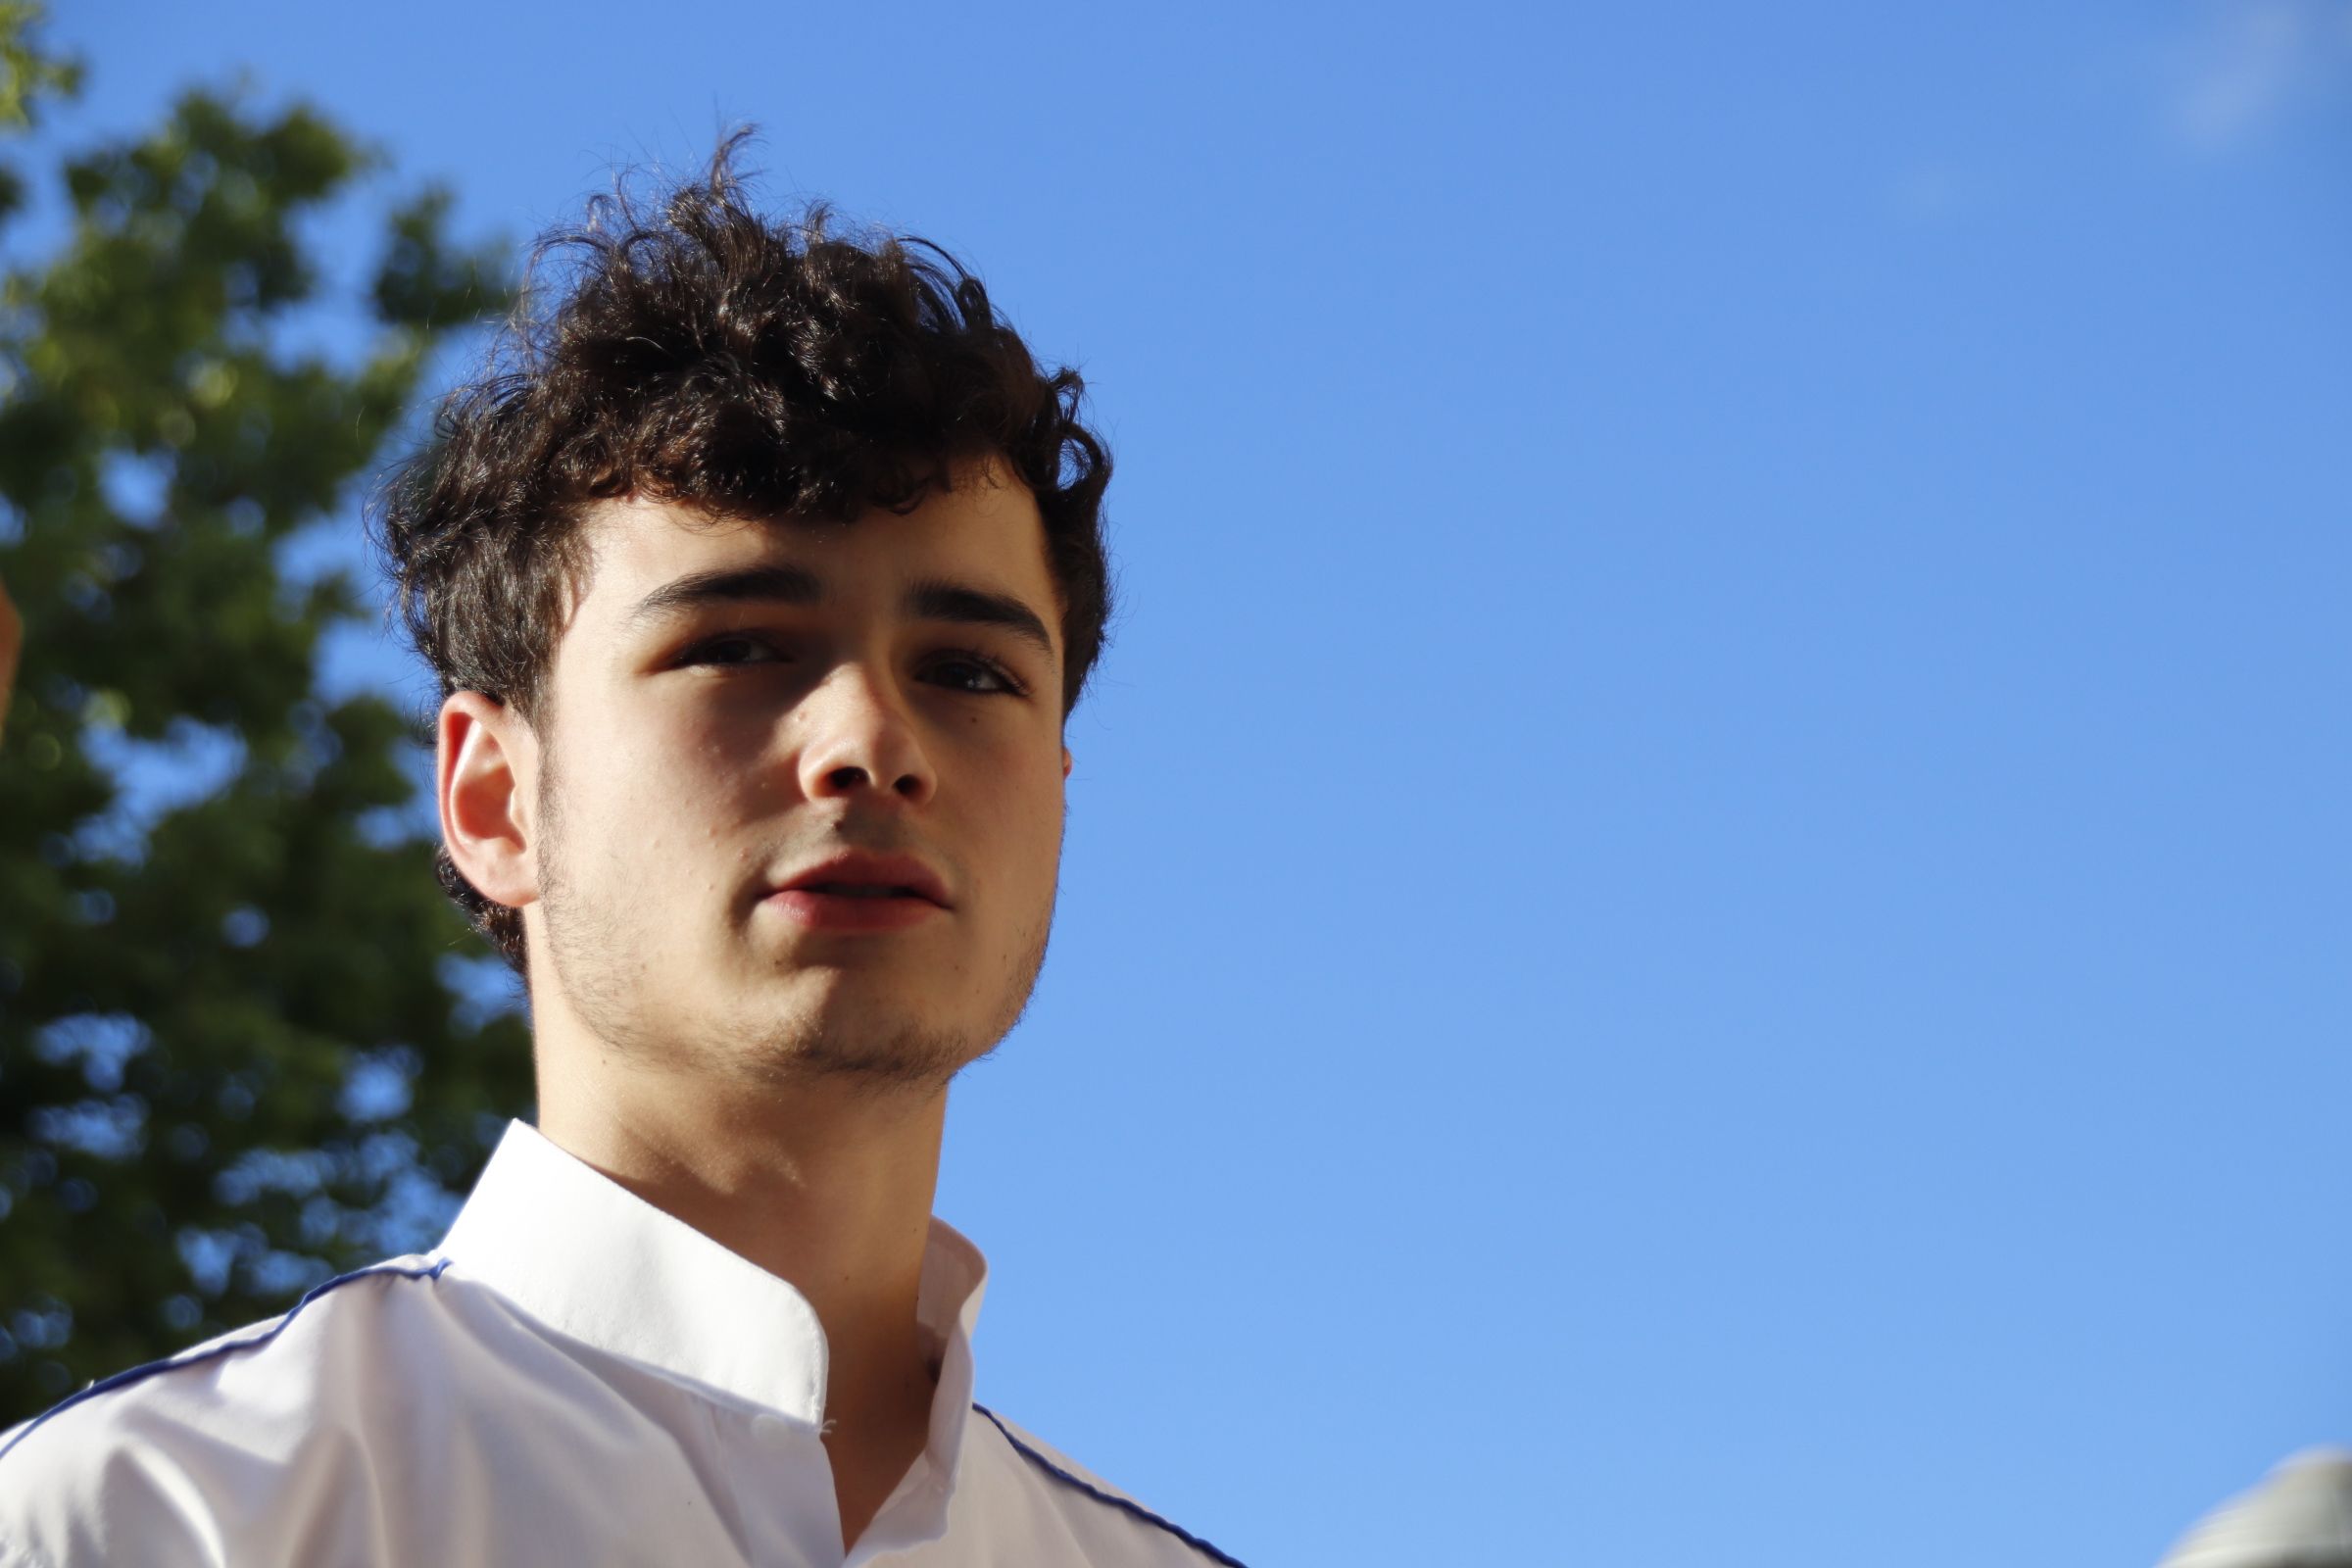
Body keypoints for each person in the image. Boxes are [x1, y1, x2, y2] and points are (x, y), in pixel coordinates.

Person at [0, 141, 1244, 1567]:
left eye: (969, 672)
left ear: (1061, 794)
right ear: (492, 800)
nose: (871, 740)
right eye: (740, 646)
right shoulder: (138, 1526)